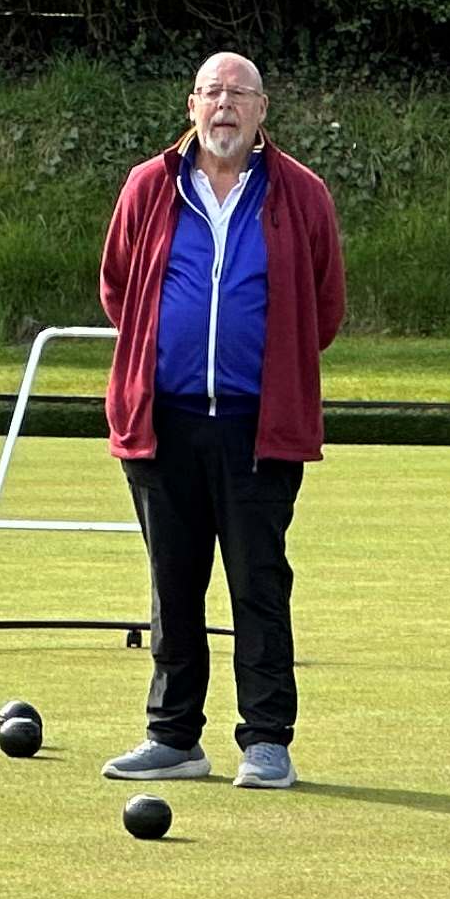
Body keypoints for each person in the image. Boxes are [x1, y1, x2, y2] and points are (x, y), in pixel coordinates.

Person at [94, 52, 348, 792]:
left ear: (263, 110)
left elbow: (323, 308)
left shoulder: (302, 194)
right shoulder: (150, 185)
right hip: (162, 421)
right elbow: (119, 288)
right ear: (192, 105)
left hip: (258, 426)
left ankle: (266, 740)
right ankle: (173, 738)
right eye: (212, 92)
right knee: (173, 584)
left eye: (239, 94)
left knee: (258, 583)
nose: (225, 106)